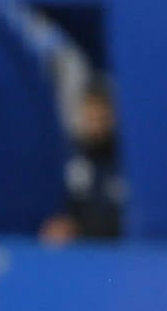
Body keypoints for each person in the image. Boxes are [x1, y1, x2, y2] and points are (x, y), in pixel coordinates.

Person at [40, 80, 126, 244]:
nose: (96, 126)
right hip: (79, 252)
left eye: (102, 118)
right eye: (91, 118)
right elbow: (58, 209)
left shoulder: (125, 162)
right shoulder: (69, 156)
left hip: (119, 250)